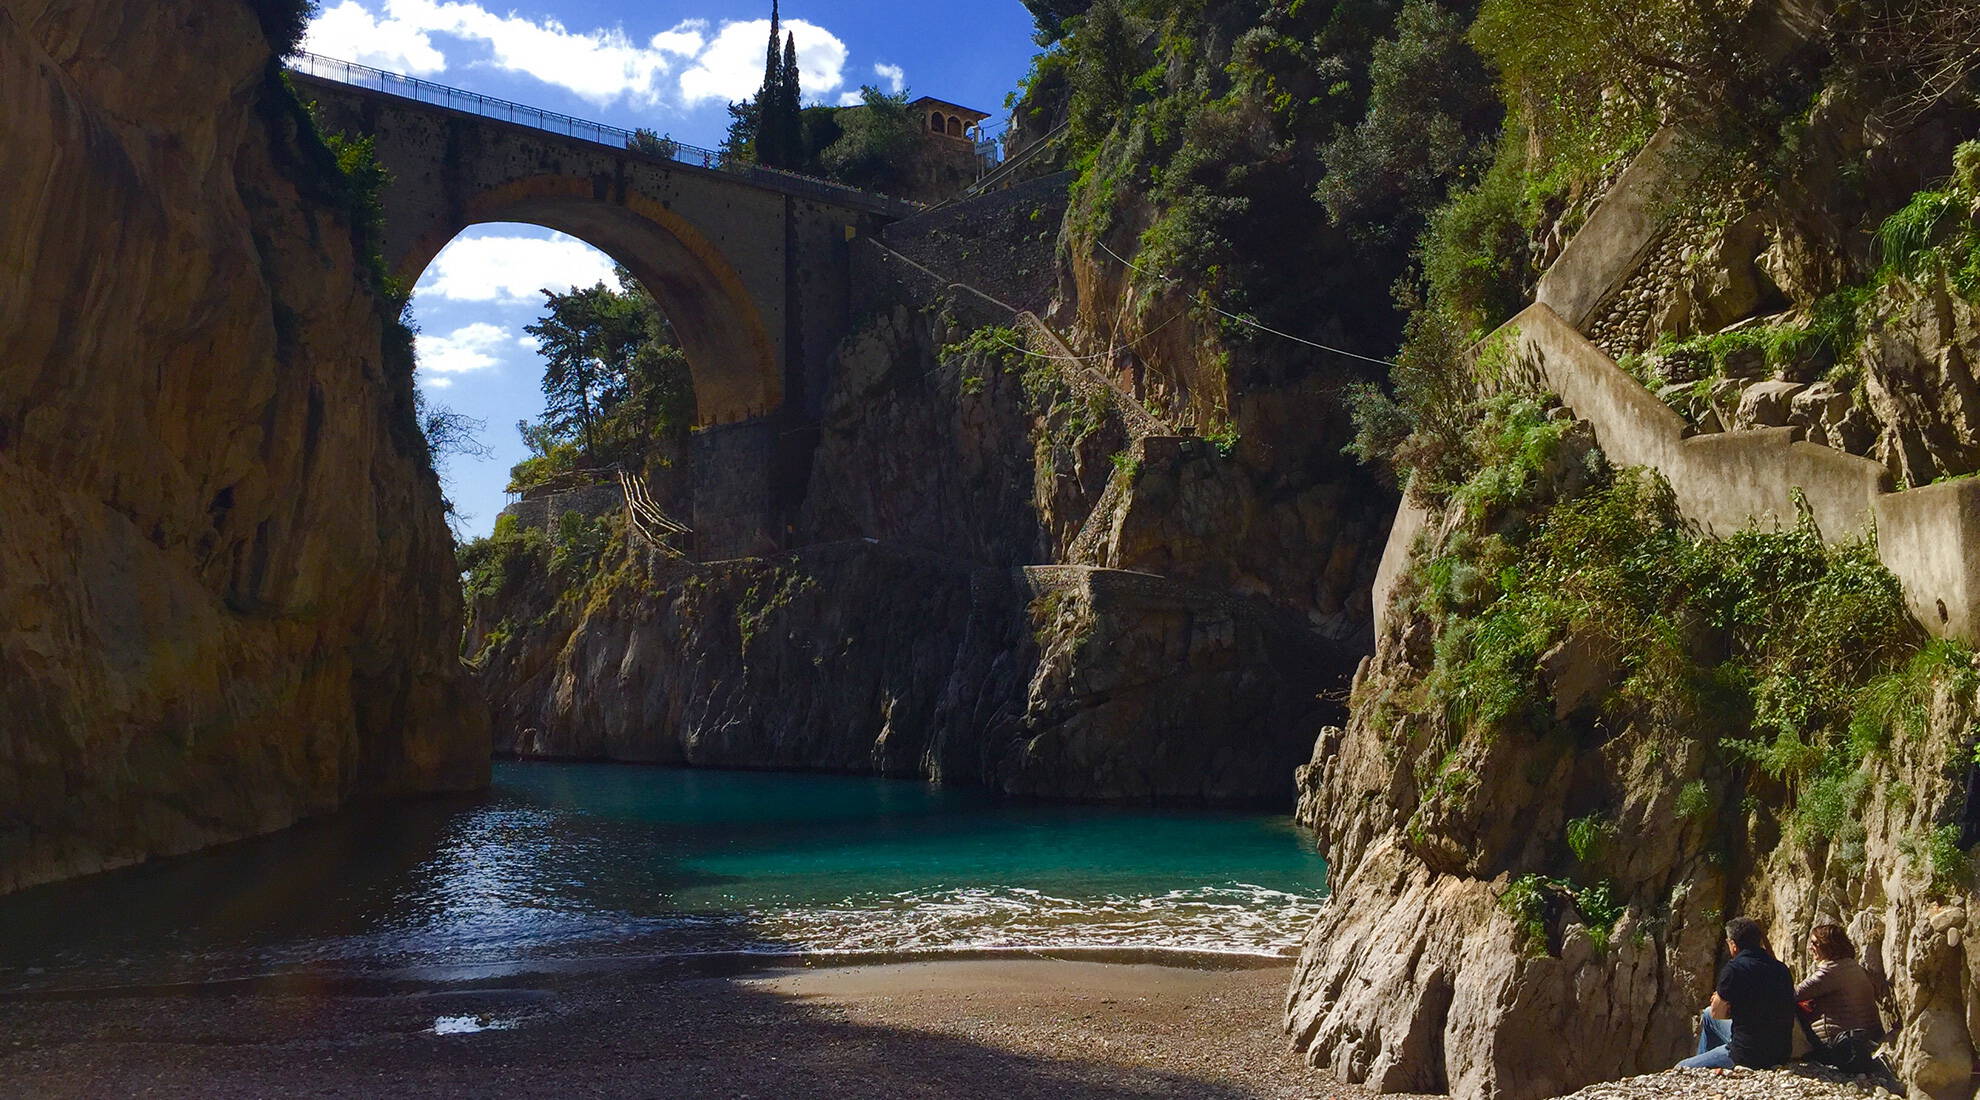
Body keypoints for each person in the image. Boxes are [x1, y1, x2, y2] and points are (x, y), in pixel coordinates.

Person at [1678, 916, 1796, 1069]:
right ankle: (1710, 1059)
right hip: (1781, 1052)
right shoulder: (1781, 968)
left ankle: (1706, 1068)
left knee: (1681, 1067)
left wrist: (1720, 1002)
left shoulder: (1734, 969)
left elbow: (1717, 1014)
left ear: (1733, 945)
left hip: (1748, 1055)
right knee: (1707, 1015)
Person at [1797, 923, 1884, 1045]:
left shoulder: (1828, 972)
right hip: (1868, 1035)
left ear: (1827, 945)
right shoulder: (1853, 966)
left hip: (1840, 1040)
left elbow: (1792, 995)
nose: (1810, 948)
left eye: (1815, 943)